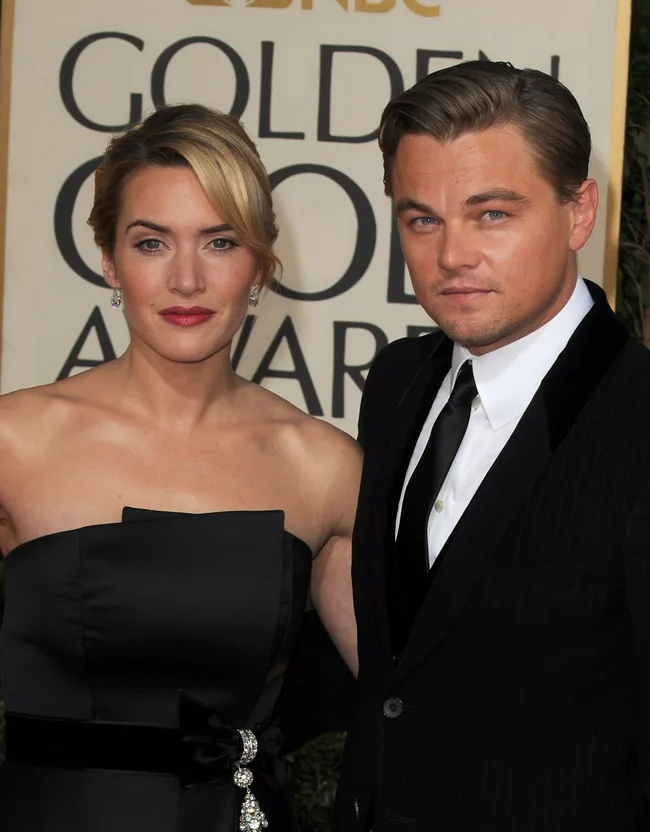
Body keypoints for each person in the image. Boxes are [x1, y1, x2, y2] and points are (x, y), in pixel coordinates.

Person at [0, 103, 361, 832]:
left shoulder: (322, 466)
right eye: (152, 242)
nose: (187, 279)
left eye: (220, 242)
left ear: (260, 265)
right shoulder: (15, 442)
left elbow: (412, 700)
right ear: (109, 260)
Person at [333, 60, 650, 831]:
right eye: (422, 220)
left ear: (579, 212)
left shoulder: (639, 415)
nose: (452, 256)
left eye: (493, 214)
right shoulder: (398, 382)